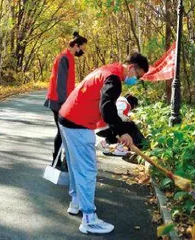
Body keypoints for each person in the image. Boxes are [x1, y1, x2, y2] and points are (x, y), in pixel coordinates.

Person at [58, 53, 149, 234]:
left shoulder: (108, 70)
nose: (135, 80)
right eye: (137, 76)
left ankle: (76, 202)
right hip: (78, 124)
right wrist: (122, 132)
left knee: (77, 167)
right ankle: (89, 219)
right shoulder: (114, 79)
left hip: (66, 118)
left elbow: (104, 107)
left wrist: (118, 130)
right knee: (87, 170)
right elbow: (107, 108)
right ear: (131, 67)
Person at [44, 32, 87, 169]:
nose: (83, 51)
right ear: (76, 45)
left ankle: (60, 161)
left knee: (63, 131)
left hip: (63, 101)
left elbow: (68, 83)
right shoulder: (63, 58)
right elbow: (60, 83)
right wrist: (64, 104)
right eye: (82, 48)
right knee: (62, 130)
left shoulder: (69, 57)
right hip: (58, 101)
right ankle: (57, 162)